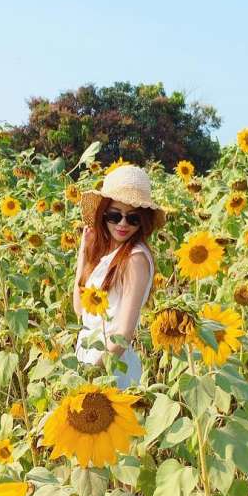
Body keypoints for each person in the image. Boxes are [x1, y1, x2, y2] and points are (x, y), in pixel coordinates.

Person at [73, 164, 167, 388]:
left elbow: (123, 333)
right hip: (88, 359)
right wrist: (83, 254)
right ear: (103, 215)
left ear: (142, 221)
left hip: (111, 368)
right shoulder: (108, 255)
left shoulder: (135, 259)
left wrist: (95, 372)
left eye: (132, 218)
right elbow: (80, 310)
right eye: (115, 216)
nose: (123, 224)